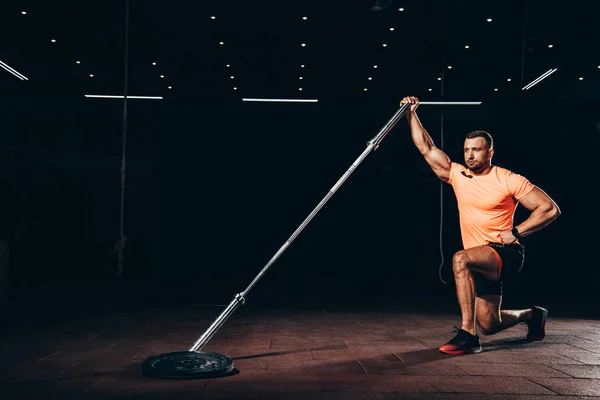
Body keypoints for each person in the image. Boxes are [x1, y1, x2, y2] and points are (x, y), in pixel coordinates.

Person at [400, 96, 561, 355]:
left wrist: (516, 232)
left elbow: (549, 208)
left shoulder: (508, 179)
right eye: (466, 150)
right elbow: (426, 148)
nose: (470, 155)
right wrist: (411, 114)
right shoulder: (458, 175)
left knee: (460, 259)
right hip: (481, 258)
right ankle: (533, 315)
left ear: (490, 152)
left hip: (505, 252)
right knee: (489, 323)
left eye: (476, 150)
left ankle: (467, 336)